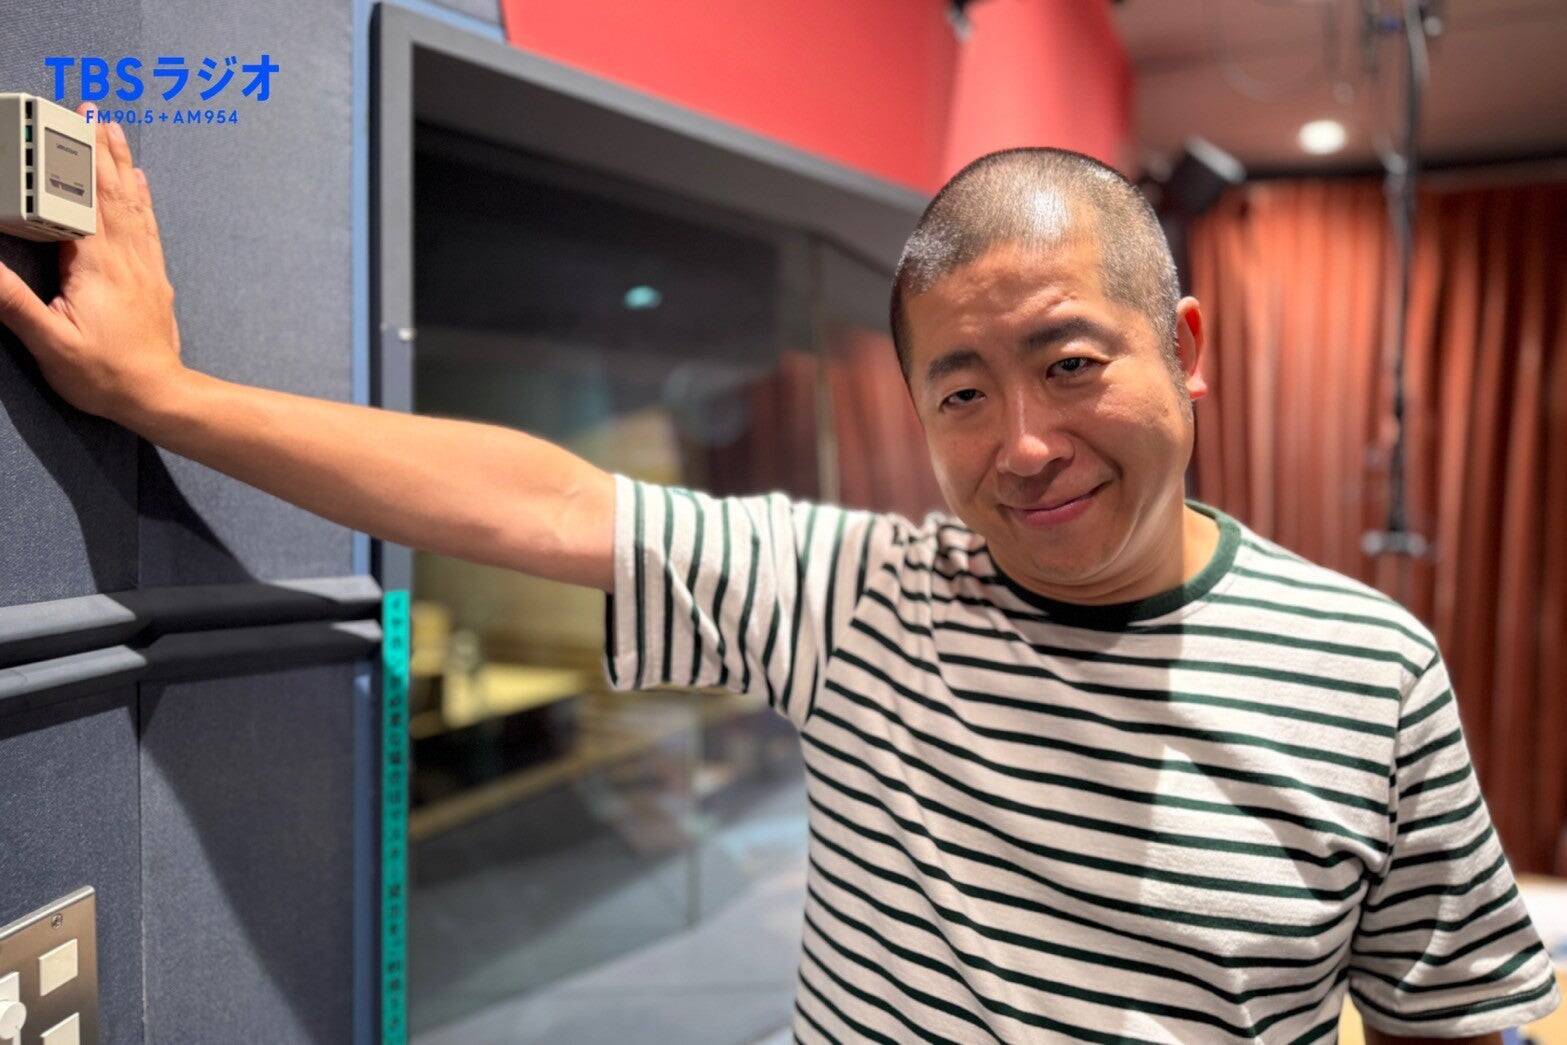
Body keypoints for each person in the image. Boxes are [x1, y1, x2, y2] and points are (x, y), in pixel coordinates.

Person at [0, 103, 1558, 1045]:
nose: (1024, 444)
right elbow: (542, 501)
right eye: (962, 391)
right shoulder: (866, 595)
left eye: (1071, 362)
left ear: (1185, 347)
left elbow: (1445, 1018)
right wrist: (165, 397)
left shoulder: (1373, 673)